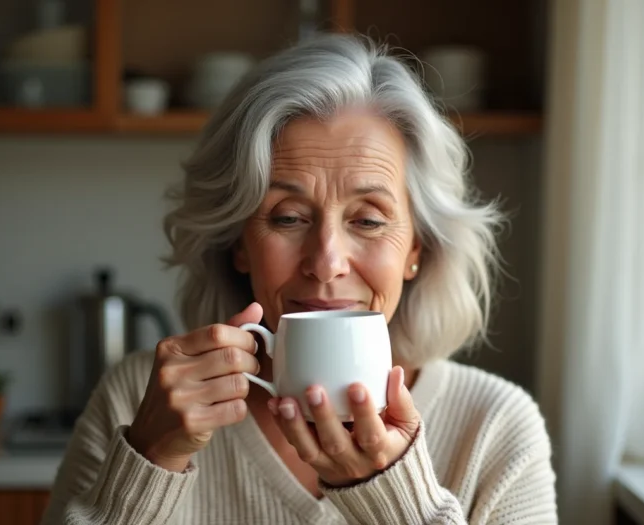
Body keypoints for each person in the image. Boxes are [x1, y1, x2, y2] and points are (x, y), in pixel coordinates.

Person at [42, 34, 557, 525]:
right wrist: (149, 459)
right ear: (239, 244)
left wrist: (397, 499)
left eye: (369, 219)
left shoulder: (496, 427)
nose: (327, 260)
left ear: (416, 250)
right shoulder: (138, 399)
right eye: (288, 217)